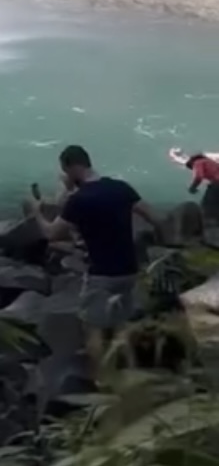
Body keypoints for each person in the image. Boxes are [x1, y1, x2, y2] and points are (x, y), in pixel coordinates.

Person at [24, 145, 161, 340]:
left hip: (101, 275)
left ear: (70, 168)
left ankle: (100, 368)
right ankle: (124, 363)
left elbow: (51, 234)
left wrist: (36, 211)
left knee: (92, 328)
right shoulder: (121, 188)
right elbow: (157, 219)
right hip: (130, 271)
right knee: (123, 327)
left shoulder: (79, 200)